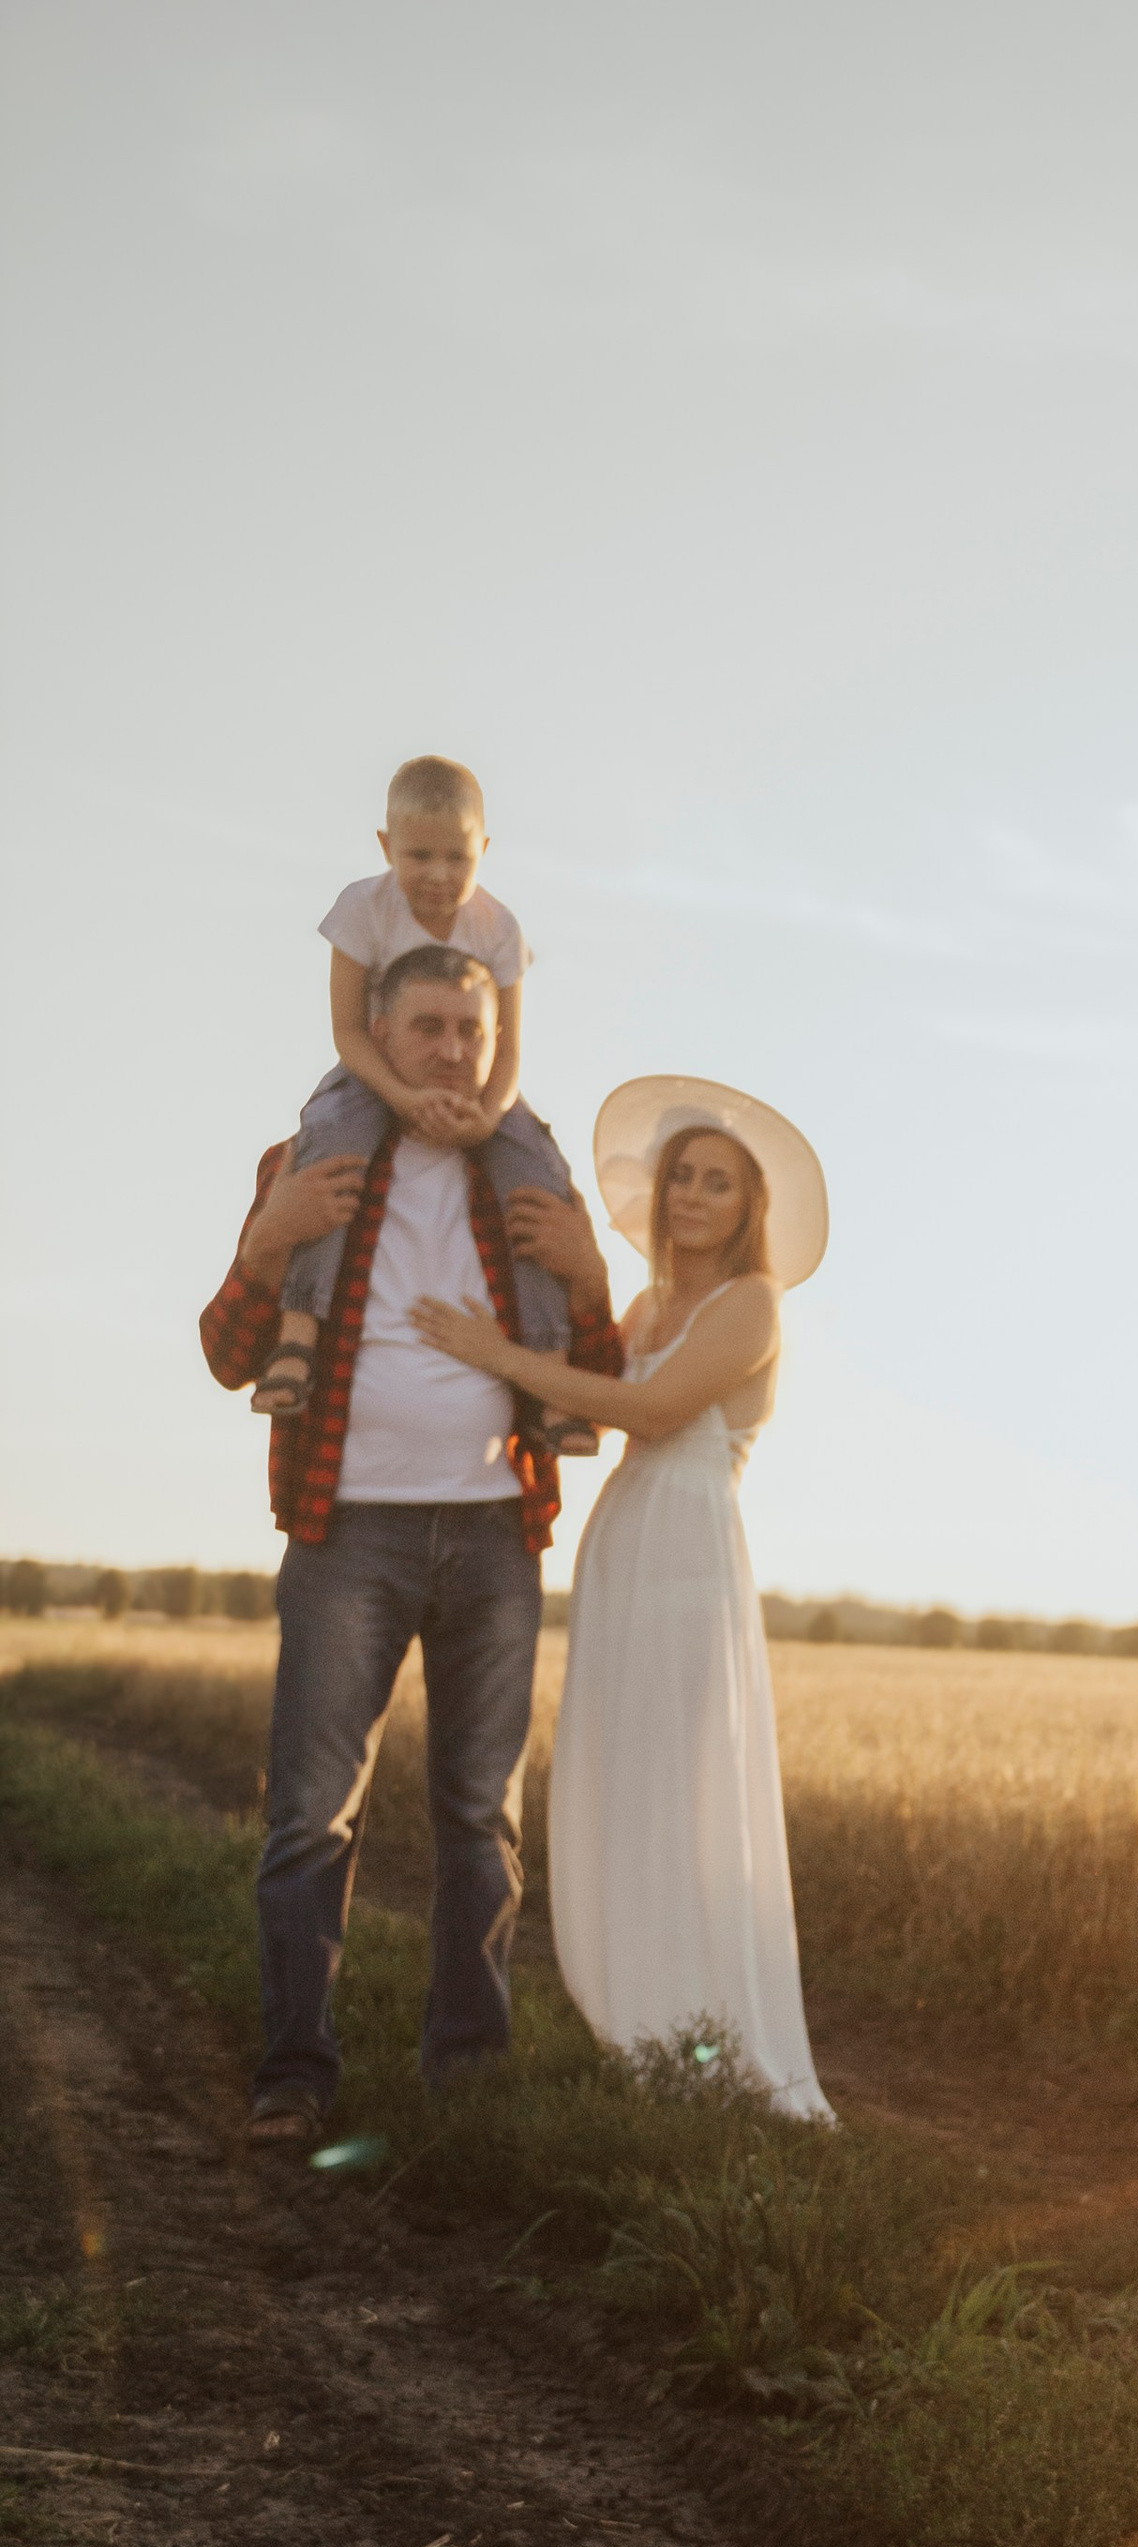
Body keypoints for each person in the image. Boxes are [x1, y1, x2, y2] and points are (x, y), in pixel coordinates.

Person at [197, 941, 627, 2144]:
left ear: (498, 1047)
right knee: (311, 1814)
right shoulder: (314, 1162)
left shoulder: (526, 1179)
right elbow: (231, 1354)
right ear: (377, 1035)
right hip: (348, 1532)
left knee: (478, 1815)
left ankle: (469, 2081)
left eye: (470, 1033)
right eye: (427, 1027)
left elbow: (593, 1381)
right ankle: (293, 2074)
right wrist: (265, 1240)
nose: (450, 1051)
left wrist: (591, 1275)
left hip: (498, 1533)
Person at [416, 1075, 834, 2122]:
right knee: (625, 1781)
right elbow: (593, 1417)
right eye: (682, 1176)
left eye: (718, 1184)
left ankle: (709, 2042)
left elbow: (648, 1409)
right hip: (623, 1544)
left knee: (684, 1792)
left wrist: (497, 1352)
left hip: (690, 1552)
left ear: (748, 1208)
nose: (693, 1196)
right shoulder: (648, 1303)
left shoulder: (753, 1303)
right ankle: (646, 2033)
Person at [253, 753, 593, 1456]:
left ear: (484, 852)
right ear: (386, 848)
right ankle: (299, 1333)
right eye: (418, 855)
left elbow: (508, 1046)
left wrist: (492, 1116)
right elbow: (349, 1030)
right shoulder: (361, 910)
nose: (438, 875)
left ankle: (552, 1371)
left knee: (537, 1174)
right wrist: (403, 1095)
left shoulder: (499, 929)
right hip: (373, 1072)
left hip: (480, 1090)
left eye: (457, 857)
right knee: (327, 1149)